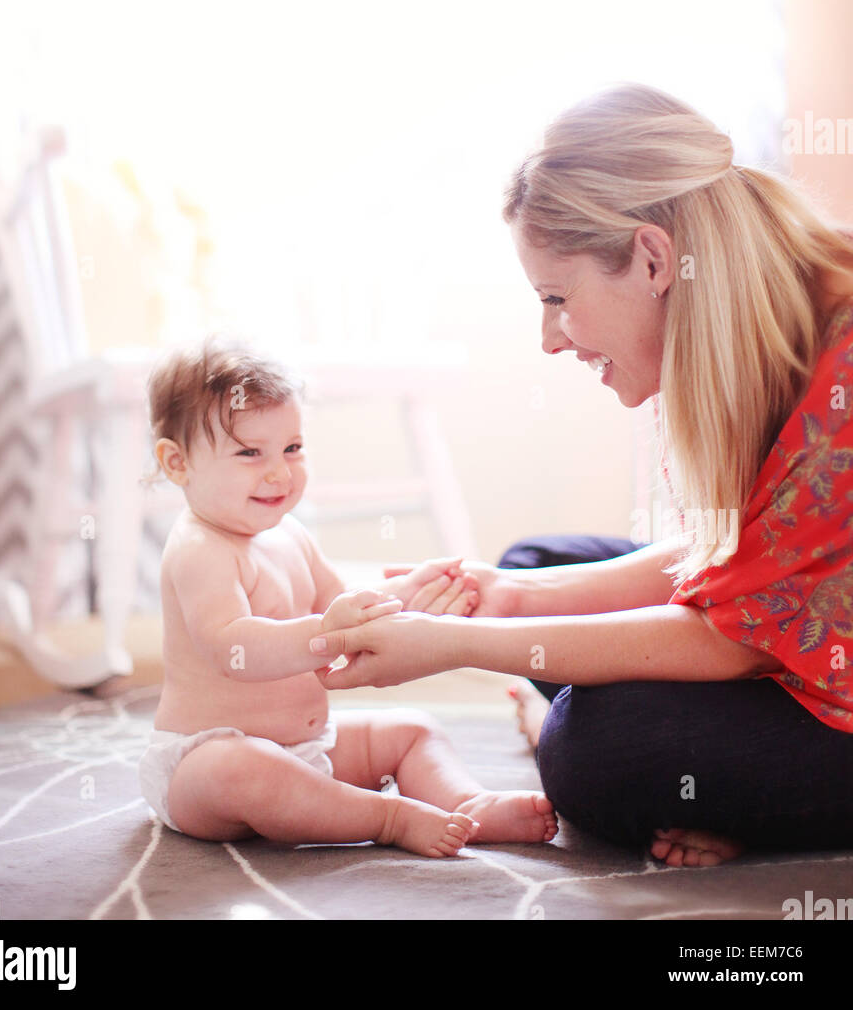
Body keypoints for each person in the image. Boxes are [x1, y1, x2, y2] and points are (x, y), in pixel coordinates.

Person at [310, 84, 853, 869]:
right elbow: (745, 561)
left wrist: (455, 642)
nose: (549, 339)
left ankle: (725, 796)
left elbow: (730, 641)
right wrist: (506, 598)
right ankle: (727, 794)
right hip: (795, 640)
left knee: (597, 747)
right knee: (535, 563)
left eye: (558, 299)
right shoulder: (774, 310)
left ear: (653, 258)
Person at [137, 337, 557, 855]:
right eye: (249, 453)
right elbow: (233, 649)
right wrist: (323, 631)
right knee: (242, 767)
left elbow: (343, 600)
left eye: (292, 448)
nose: (278, 471)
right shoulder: (199, 548)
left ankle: (465, 802)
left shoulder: (289, 534)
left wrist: (405, 592)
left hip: (313, 748)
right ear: (177, 464)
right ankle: (385, 818)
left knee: (412, 731)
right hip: (205, 765)